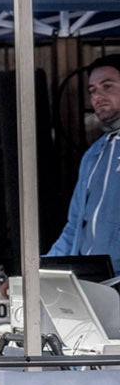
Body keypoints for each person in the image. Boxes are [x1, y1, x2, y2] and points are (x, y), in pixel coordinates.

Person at [51, 55, 120, 265]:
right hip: (92, 281)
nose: (98, 96)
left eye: (107, 86)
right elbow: (74, 228)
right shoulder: (94, 155)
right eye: (93, 90)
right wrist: (35, 274)